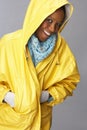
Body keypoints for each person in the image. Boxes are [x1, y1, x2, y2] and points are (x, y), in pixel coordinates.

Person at [0, 0, 80, 130]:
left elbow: (70, 81)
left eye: (58, 24)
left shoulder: (61, 49)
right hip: (8, 123)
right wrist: (6, 96)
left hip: (40, 123)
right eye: (49, 20)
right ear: (38, 15)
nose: (52, 29)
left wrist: (48, 95)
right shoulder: (8, 44)